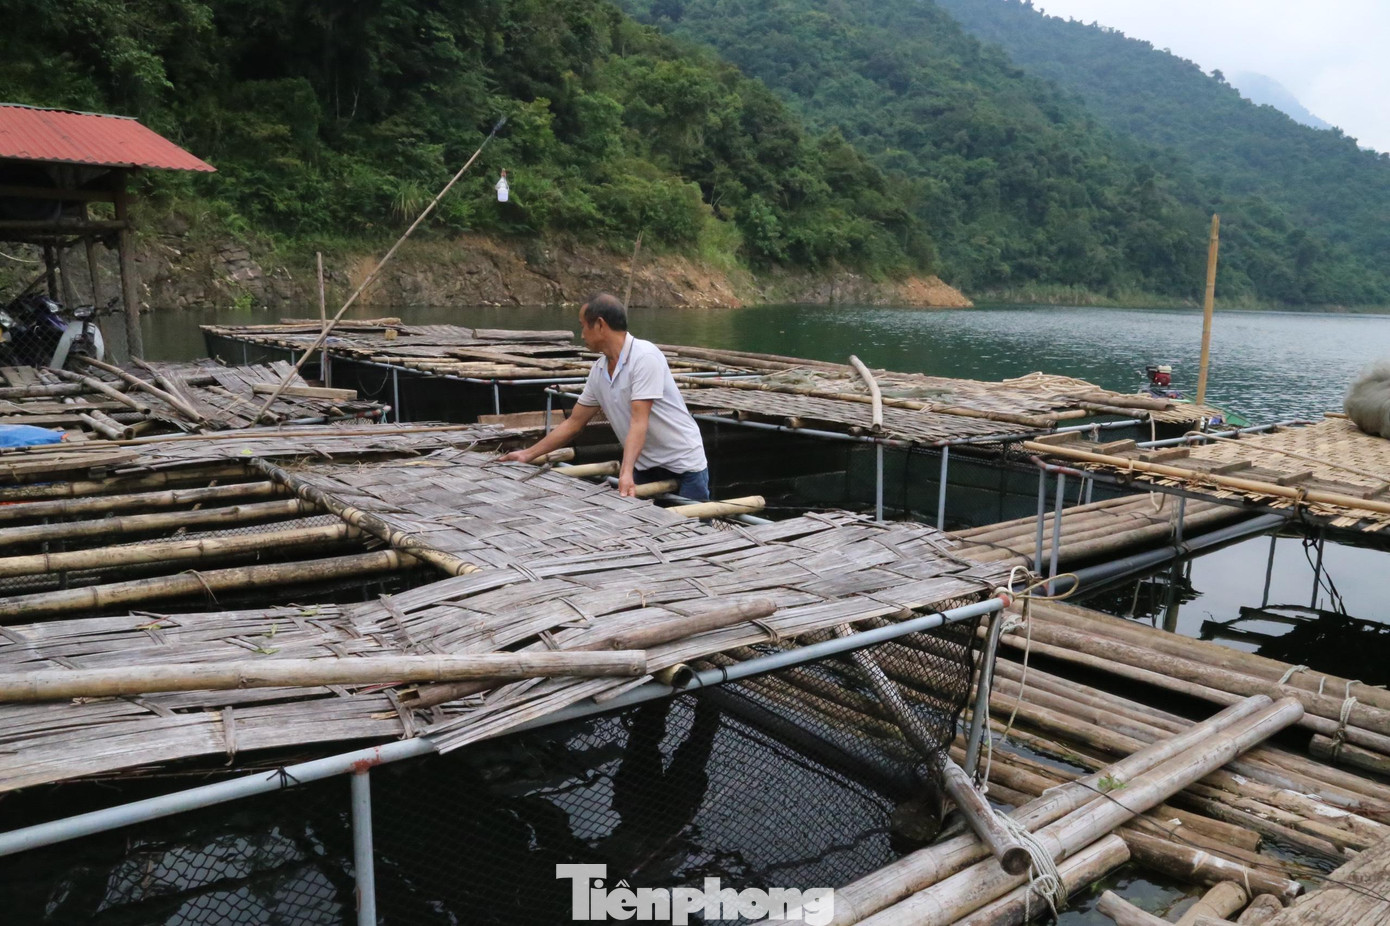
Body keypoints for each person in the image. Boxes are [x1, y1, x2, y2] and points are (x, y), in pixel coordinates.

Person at [499, 293, 710, 500]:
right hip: (645, 465)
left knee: (693, 531)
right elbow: (574, 423)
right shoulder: (599, 371)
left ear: (600, 325)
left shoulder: (644, 357)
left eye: (583, 325)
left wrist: (626, 472)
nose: (581, 334)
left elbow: (639, 421)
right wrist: (528, 454)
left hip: (683, 464)